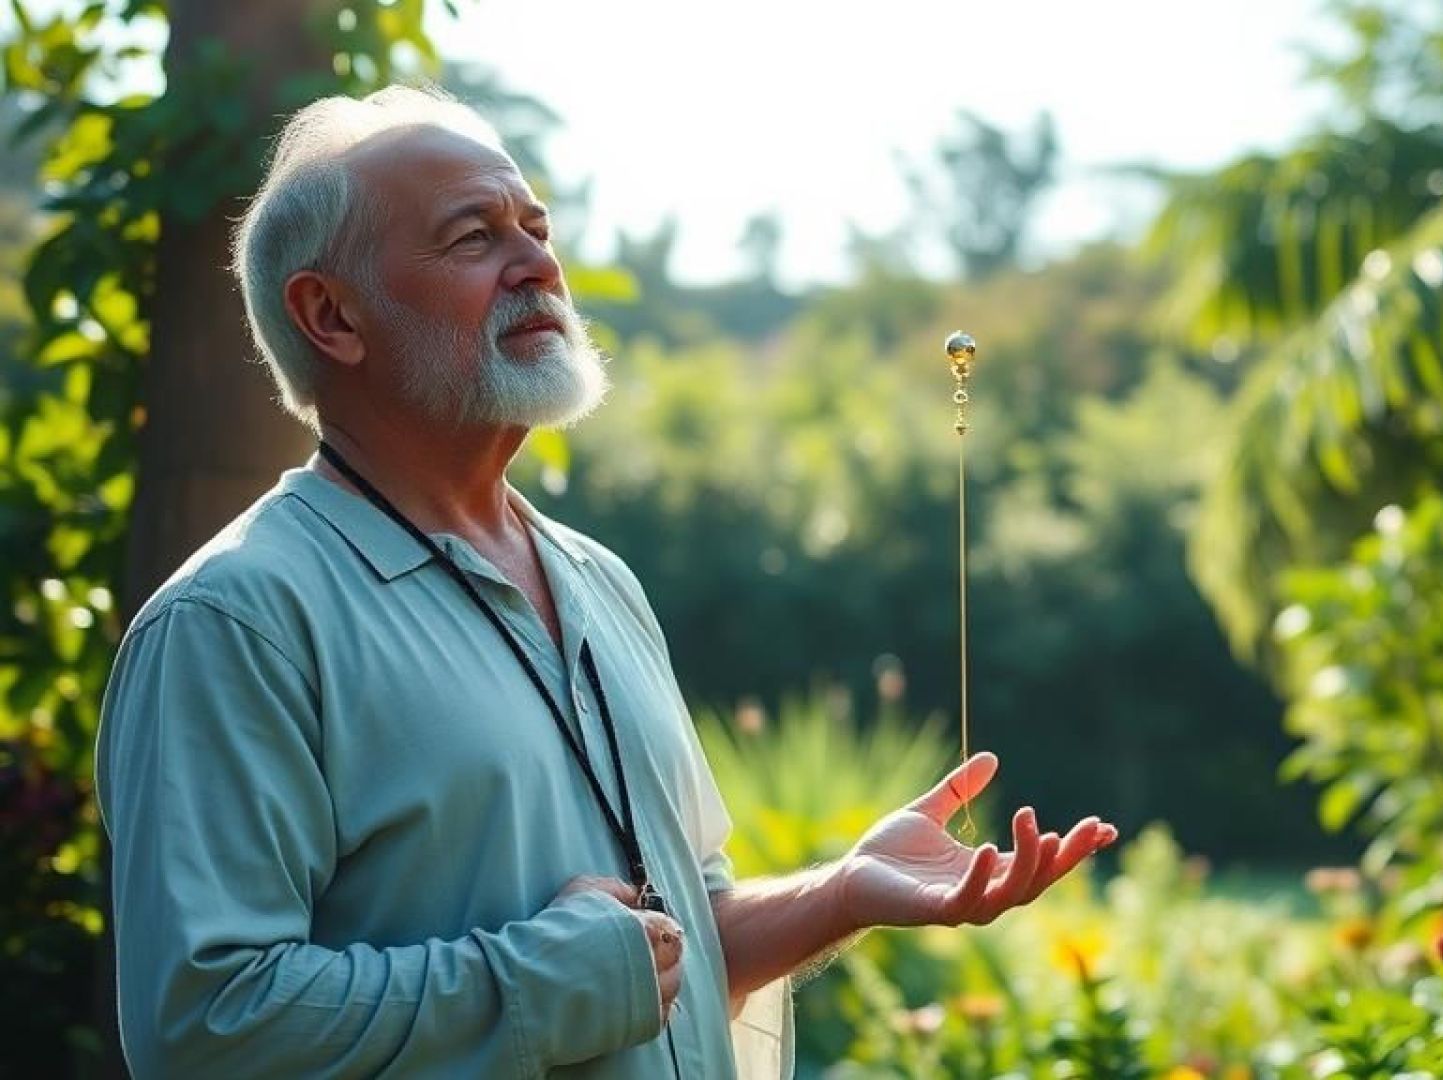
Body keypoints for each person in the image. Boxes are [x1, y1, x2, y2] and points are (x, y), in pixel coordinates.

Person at [95, 84, 1117, 1078]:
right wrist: (543, 980)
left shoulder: (599, 580)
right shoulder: (237, 623)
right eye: (474, 237)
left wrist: (843, 890)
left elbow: (674, 947)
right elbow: (204, 1029)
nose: (537, 263)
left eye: (536, 228)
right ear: (332, 315)